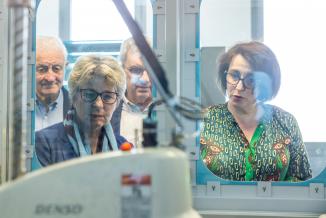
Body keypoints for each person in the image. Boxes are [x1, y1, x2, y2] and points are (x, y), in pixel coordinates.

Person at [200, 41, 312, 181]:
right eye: (234, 75)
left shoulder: (285, 121)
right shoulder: (203, 121)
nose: (239, 87)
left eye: (251, 79)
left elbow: (302, 179)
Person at [36, 54, 130, 167]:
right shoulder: (45, 143)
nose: (98, 104)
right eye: (89, 95)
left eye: (107, 97)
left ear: (117, 102)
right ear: (74, 97)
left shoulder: (124, 148)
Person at [111, 37, 152, 146]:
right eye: (136, 70)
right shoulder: (107, 111)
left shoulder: (170, 112)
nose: (145, 79)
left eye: (151, 70)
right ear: (121, 71)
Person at [35, 36, 71, 131]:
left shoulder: (78, 109)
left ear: (65, 67)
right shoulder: (16, 106)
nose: (50, 78)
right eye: (42, 69)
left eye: (56, 68)